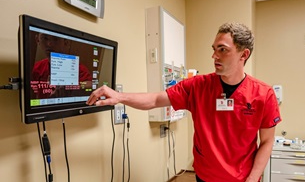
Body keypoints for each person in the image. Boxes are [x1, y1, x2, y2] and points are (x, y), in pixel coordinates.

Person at [86, 22, 282, 182]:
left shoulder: (264, 94)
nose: (214, 56)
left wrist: (253, 178)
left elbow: (266, 141)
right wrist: (120, 97)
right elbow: (155, 99)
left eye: (223, 50)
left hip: (241, 179)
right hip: (205, 177)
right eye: (214, 49)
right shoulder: (198, 86)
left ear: (244, 54)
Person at [32, 33, 92, 98]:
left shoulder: (78, 68)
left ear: (65, 42)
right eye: (45, 38)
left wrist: (70, 87)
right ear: (37, 40)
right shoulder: (36, 67)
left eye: (56, 39)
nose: (49, 44)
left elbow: (90, 84)